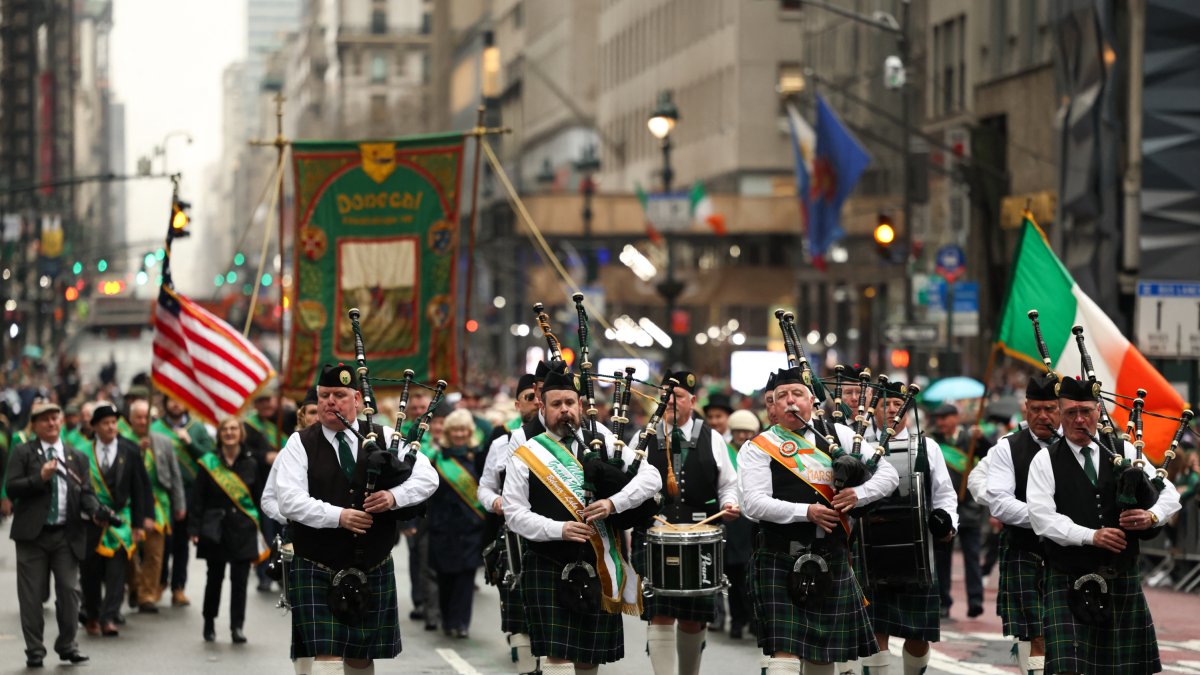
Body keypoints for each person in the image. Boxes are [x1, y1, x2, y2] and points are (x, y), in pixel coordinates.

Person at [275, 363, 439, 673]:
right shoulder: (300, 443)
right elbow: (289, 500)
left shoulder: (385, 436)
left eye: (339, 395)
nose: (330, 402)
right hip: (317, 565)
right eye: (324, 395)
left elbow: (428, 477)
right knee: (326, 653)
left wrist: (393, 497)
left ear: (358, 400)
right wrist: (339, 516)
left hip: (371, 566)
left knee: (360, 655)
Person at [503, 366, 661, 674]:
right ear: (542, 406)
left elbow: (651, 477)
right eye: (556, 404)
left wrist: (613, 503)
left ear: (579, 404)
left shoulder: (602, 441)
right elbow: (514, 514)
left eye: (569, 403)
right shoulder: (526, 453)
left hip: (598, 562)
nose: (564, 410)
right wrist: (559, 529)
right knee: (557, 656)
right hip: (547, 561)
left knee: (589, 659)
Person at [741, 367, 898, 675]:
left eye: (797, 394)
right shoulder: (759, 446)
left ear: (812, 400)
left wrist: (857, 495)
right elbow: (754, 504)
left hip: (831, 552)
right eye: (782, 396)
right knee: (784, 650)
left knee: (824, 654)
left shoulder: (838, 435)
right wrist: (807, 512)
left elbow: (888, 475)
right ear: (772, 405)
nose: (790, 401)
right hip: (779, 553)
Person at [1027, 375, 1181, 675]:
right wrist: (1091, 536)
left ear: (1099, 411)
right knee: (1068, 669)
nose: (1079, 419)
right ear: (1060, 414)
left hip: (1120, 576)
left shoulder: (1125, 452)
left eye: (1086, 411)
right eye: (1071, 412)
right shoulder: (1045, 461)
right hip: (1068, 578)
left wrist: (1150, 516)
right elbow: (1042, 518)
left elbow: (1170, 495)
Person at [633, 370, 740, 675]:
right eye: (664, 396)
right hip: (653, 535)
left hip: (701, 536)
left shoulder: (713, 438)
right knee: (659, 614)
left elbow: (728, 484)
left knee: (694, 617)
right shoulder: (642, 437)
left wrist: (729, 503)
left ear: (692, 401)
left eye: (677, 396)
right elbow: (630, 484)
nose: (670, 401)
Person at [856, 383, 960, 675]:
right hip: (871, 551)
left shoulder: (927, 446)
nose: (892, 410)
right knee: (875, 629)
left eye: (898, 404)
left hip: (917, 551)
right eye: (885, 405)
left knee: (918, 634)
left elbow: (944, 494)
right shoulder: (860, 446)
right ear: (874, 409)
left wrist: (947, 523)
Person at [6, 401, 99, 668]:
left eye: (55, 418)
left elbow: (86, 492)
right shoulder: (23, 452)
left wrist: (95, 511)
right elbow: (12, 488)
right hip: (32, 537)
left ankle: (68, 644)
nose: (51, 423)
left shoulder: (76, 456)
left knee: (69, 591)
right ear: (35, 425)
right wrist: (40, 477)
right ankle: (35, 650)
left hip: (66, 535)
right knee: (31, 596)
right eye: (45, 419)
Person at [985, 374, 1061, 675]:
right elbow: (1000, 503)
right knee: (1035, 633)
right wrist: (1052, 520)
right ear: (1025, 408)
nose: (1043, 416)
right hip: (1026, 550)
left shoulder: (1077, 445)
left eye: (1050, 409)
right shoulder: (1008, 447)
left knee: (1069, 633)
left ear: (1060, 409)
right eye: (1036, 409)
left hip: (1072, 554)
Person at [477, 371, 543, 675]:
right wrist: (495, 502)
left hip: (556, 539)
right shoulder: (502, 441)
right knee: (520, 618)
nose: (537, 402)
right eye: (530, 397)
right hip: (514, 540)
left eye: (541, 396)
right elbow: (484, 487)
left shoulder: (568, 441)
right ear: (518, 404)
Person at [189, 416, 265, 643]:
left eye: (234, 429)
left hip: (243, 530)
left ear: (240, 433)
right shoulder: (208, 462)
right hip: (215, 530)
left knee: (240, 582)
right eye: (225, 429)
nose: (230, 433)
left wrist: (262, 531)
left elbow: (259, 499)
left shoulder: (251, 463)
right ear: (220, 434)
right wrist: (194, 529)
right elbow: (198, 498)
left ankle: (237, 627)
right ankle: (209, 622)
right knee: (214, 579)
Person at [79, 403, 151, 637]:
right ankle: (92, 614)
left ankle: (109, 617)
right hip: (91, 520)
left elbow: (139, 488)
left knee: (116, 572)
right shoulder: (82, 452)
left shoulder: (130, 449)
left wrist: (139, 524)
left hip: (121, 519)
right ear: (95, 427)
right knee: (90, 572)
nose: (111, 427)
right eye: (105, 423)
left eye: (114, 422)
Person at [154, 393, 216, 607]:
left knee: (181, 540)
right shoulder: (155, 428)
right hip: (162, 492)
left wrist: (190, 443)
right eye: (171, 399)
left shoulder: (197, 428)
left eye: (179, 398)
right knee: (163, 539)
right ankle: (159, 581)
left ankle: (178, 587)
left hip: (189, 491)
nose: (175, 403)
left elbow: (211, 458)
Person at [429, 409, 485, 638]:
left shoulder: (478, 457)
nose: (460, 434)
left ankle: (461, 623)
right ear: (448, 432)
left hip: (470, 528)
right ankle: (447, 619)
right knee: (446, 577)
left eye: (464, 430)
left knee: (466, 576)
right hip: (443, 528)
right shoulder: (437, 459)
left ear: (470, 432)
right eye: (455, 430)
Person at [128, 399, 186, 612]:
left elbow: (175, 476)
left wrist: (179, 504)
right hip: (130, 504)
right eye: (138, 417)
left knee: (155, 553)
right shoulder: (122, 441)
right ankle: (135, 586)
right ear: (131, 419)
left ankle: (147, 595)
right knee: (130, 553)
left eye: (147, 417)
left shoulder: (163, 441)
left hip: (159, 504)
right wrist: (136, 450)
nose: (143, 421)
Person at [929, 403, 986, 618]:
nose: (940, 422)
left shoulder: (970, 438)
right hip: (944, 509)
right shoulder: (933, 441)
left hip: (969, 508)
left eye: (944, 418)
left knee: (972, 557)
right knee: (943, 559)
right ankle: (943, 601)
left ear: (956, 417)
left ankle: (975, 601)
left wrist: (982, 440)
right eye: (938, 418)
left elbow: (990, 456)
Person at [724, 409, 761, 639]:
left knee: (750, 574)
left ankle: (753, 619)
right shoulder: (724, 450)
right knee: (733, 572)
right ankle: (737, 620)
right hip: (732, 519)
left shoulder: (758, 450)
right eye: (739, 431)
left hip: (753, 520)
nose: (744, 435)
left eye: (748, 431)